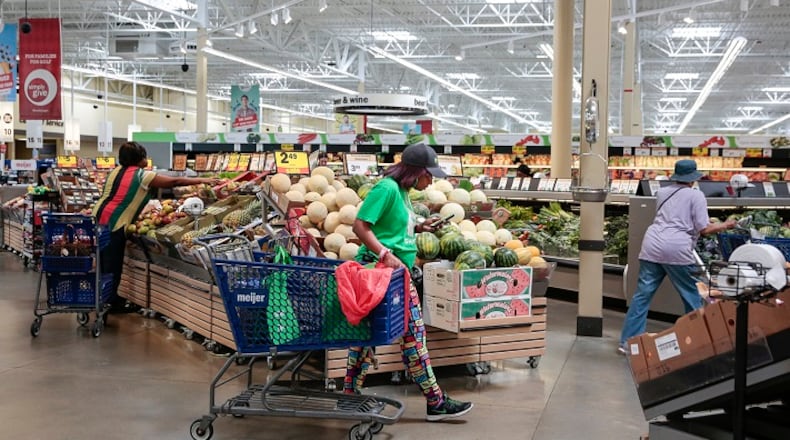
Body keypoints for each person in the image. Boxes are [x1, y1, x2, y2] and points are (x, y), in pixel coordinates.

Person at [344, 143, 474, 421]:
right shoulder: (386, 189)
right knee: (414, 337)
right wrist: (385, 254)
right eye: (429, 175)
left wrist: (420, 228)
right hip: (381, 273)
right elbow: (360, 225)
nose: (431, 181)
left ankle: (349, 394)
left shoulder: (402, 192)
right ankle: (435, 402)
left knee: (366, 337)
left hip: (392, 274)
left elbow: (390, 226)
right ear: (416, 172)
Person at [619, 159, 736, 353]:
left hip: (652, 246)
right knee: (692, 295)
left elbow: (670, 216)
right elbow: (704, 228)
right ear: (693, 178)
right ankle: (698, 341)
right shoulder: (696, 196)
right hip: (676, 249)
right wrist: (726, 225)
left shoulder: (662, 192)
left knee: (641, 297)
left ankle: (628, 343)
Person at [93, 142, 221, 313]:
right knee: (112, 264)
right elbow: (174, 181)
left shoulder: (114, 172)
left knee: (103, 261)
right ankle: (110, 303)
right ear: (138, 159)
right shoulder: (141, 175)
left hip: (98, 218)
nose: (146, 160)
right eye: (144, 156)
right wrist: (203, 180)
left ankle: (104, 298)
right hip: (116, 221)